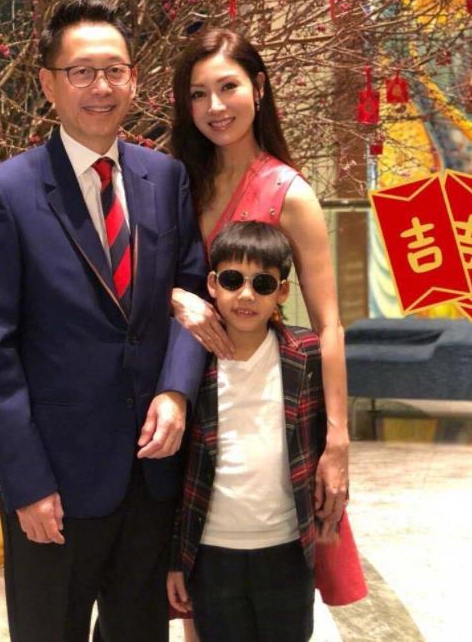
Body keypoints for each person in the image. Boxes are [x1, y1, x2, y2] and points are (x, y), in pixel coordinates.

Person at [0, 0, 208, 642]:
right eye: (81, 72)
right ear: (49, 84)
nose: (101, 87)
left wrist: (177, 391)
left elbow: (189, 291)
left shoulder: (165, 179)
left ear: (133, 79)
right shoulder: (5, 194)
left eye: (114, 70)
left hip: (151, 475)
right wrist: (26, 483)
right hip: (58, 483)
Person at [169, 28, 366, 639]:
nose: (214, 106)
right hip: (190, 406)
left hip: (266, 409)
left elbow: (329, 323)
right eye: (198, 94)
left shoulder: (289, 192)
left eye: (227, 87)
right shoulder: (178, 182)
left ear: (258, 88)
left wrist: (337, 442)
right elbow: (147, 284)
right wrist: (177, 298)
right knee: (200, 596)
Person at [167, 221, 324, 641]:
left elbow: (320, 441)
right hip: (211, 552)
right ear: (212, 284)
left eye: (263, 283)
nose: (247, 295)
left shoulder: (305, 353)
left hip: (287, 549)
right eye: (233, 280)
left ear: (282, 291)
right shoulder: (191, 360)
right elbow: (178, 469)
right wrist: (176, 559)